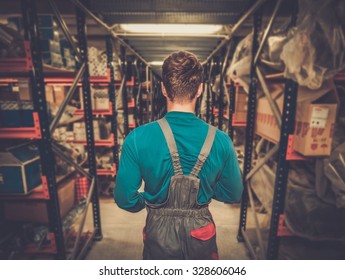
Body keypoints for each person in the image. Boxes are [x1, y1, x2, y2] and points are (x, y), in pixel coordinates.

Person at [114, 50, 243, 260]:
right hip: (201, 232)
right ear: (200, 89)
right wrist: (206, 189)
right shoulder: (221, 140)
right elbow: (233, 193)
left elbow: (124, 199)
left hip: (158, 234)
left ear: (164, 89)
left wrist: (149, 200)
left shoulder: (137, 138)